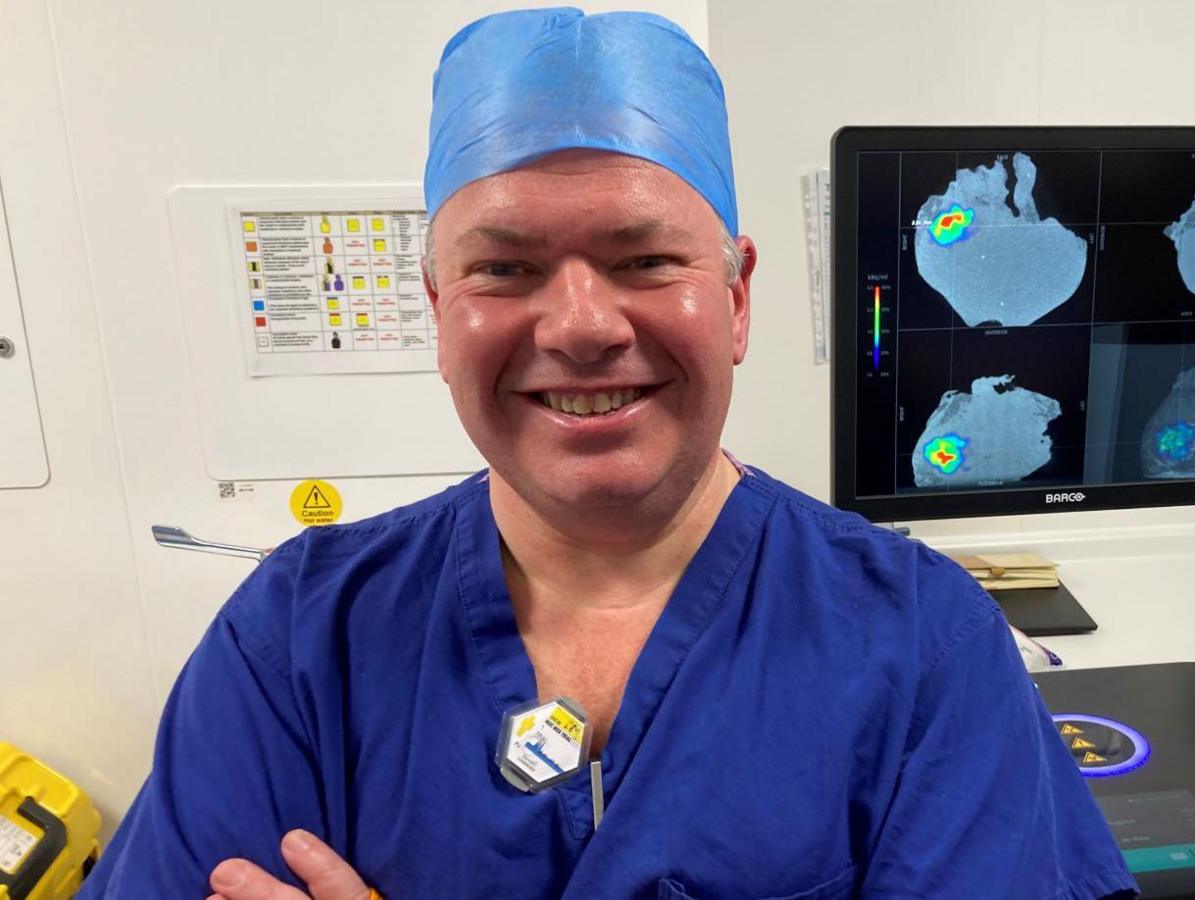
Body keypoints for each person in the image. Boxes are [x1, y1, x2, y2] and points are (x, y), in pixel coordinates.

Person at [79, 8, 1137, 899]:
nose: (582, 324)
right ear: (440, 309)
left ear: (734, 298)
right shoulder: (303, 642)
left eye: (643, 259)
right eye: (504, 268)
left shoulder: (921, 645)